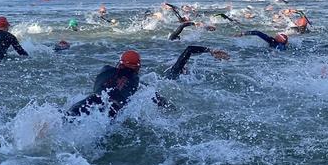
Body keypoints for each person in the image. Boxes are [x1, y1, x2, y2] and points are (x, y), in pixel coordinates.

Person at [67, 46, 230, 119]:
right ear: (138, 68)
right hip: (111, 111)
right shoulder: (139, 82)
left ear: (120, 63)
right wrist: (175, 111)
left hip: (90, 101)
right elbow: (157, 99)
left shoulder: (105, 69)